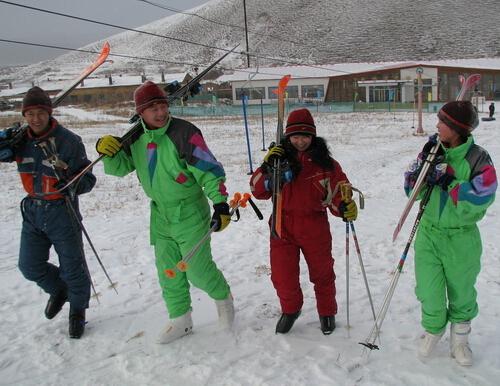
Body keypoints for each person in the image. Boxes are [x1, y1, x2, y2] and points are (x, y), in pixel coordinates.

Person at [96, 81, 234, 344]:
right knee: (168, 270)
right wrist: (107, 150)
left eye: (162, 106)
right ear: (140, 114)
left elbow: (209, 169)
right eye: (152, 109)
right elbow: (119, 168)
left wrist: (220, 203)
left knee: (196, 269)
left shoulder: (184, 132)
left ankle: (224, 300)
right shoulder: (135, 138)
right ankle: (180, 318)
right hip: (160, 215)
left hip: (190, 210)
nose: (160, 113)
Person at [249, 108, 357, 335]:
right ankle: (291, 309)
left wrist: (344, 207)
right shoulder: (278, 160)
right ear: (288, 137)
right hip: (281, 226)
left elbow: (338, 193)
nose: (300, 141)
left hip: (314, 225)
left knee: (323, 273)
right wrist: (267, 166)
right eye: (295, 136)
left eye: (305, 136)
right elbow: (257, 190)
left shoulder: (326, 164)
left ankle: (327, 312)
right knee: (282, 275)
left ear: (313, 137)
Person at [404, 100, 497, 366]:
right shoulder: (433, 152)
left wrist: (450, 182)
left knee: (462, 291)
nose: (437, 125)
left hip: (461, 237)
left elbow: (483, 197)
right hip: (429, 233)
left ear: (456, 128)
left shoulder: (478, 157)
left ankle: (460, 341)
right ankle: (433, 330)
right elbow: (411, 190)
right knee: (428, 289)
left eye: (442, 122)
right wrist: (422, 168)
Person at [0, 87, 96, 339]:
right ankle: (59, 289)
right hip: (32, 210)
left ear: (49, 113)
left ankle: (78, 310)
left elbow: (89, 180)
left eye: (40, 112)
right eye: (29, 113)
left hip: (61, 211)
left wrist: (72, 183)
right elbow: (4, 153)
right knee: (29, 265)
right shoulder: (19, 140)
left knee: (73, 266)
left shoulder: (69, 141)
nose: (35, 118)